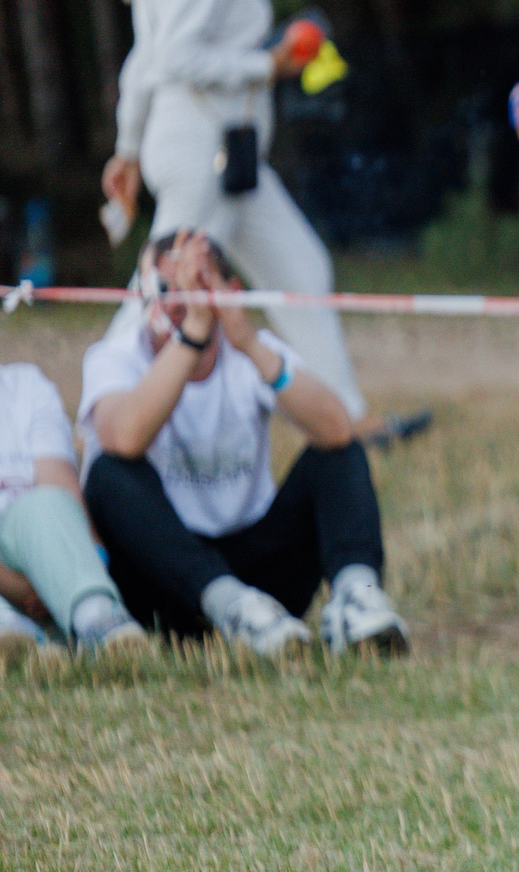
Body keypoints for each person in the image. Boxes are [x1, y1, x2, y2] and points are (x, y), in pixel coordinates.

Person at [102, 0, 416, 439]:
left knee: (301, 270)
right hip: (204, 155)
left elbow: (145, 62)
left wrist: (129, 148)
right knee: (162, 287)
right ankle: (111, 406)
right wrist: (267, 64)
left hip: (222, 153)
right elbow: (174, 60)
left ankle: (347, 420)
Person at [78, 232, 409, 658]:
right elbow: (125, 436)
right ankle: (230, 607)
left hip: (261, 580)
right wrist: (193, 337)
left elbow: (337, 428)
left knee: (338, 454)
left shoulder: (252, 353)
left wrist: (250, 344)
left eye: (191, 287)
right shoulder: (115, 357)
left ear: (228, 293)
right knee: (110, 472)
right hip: (165, 578)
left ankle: (357, 600)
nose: (176, 303)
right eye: (162, 289)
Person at [0, 363, 145, 655]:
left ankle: (98, 619)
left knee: (46, 503)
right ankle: (14, 632)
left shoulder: (26, 386)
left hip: (30, 549)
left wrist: (52, 574)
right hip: (13, 578)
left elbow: (59, 488)